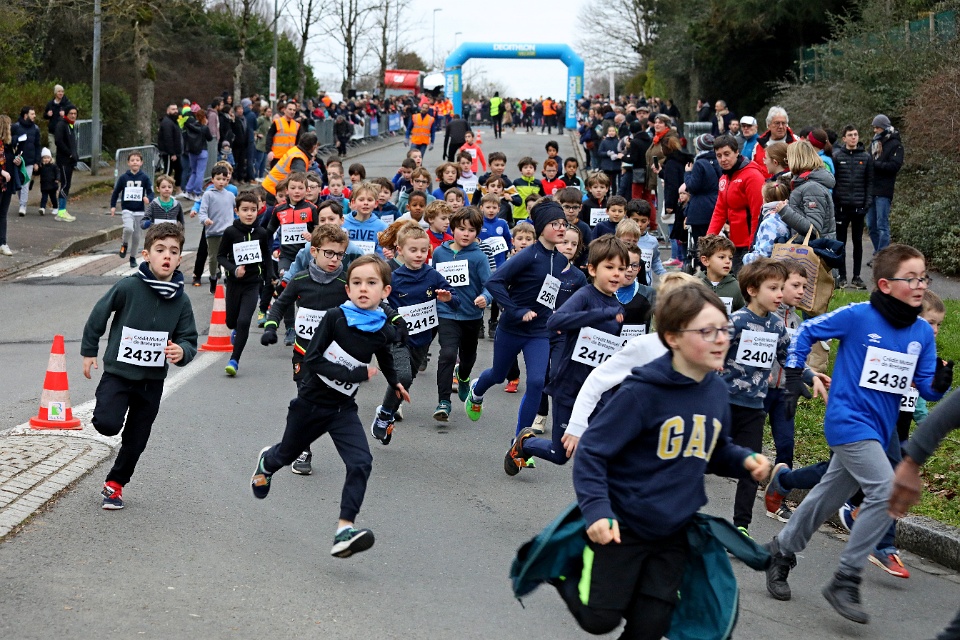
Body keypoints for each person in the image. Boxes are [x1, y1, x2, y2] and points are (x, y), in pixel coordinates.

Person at [560, 284, 770, 639]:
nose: (721, 339)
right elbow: (593, 451)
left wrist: (744, 460)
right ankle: (564, 565)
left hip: (674, 529)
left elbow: (713, 450)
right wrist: (596, 511)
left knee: (652, 625)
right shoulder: (641, 393)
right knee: (599, 619)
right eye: (707, 331)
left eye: (724, 329)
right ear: (673, 338)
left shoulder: (716, 392)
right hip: (623, 525)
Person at [763, 244, 951, 624]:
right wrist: (795, 374)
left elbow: (926, 389)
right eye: (911, 278)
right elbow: (807, 331)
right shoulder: (858, 315)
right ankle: (845, 578)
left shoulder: (921, 332)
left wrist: (940, 383)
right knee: (885, 489)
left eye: (924, 278)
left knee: (827, 495)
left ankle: (781, 550)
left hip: (881, 430)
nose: (920, 285)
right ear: (885, 285)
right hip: (847, 421)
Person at [250, 255, 410, 559]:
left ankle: (344, 530)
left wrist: (395, 383)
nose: (363, 288)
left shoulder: (382, 328)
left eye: (371, 283)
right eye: (356, 283)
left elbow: (384, 354)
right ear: (347, 290)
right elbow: (313, 360)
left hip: (342, 409)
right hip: (310, 404)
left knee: (361, 463)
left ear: (385, 291)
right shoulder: (335, 318)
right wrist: (356, 374)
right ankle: (267, 463)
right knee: (286, 454)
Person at [81, 222, 198, 510]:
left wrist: (181, 351)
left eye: (173, 251)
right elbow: (100, 313)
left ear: (179, 259)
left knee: (137, 439)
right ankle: (108, 415)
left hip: (151, 381)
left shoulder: (181, 300)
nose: (167, 255)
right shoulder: (129, 286)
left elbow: (189, 339)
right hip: (119, 374)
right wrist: (89, 350)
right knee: (107, 424)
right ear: (146, 255)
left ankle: (115, 484)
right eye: (160, 250)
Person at [509, 235, 627, 472]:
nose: (616, 274)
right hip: (570, 385)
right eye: (610, 267)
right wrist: (597, 315)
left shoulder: (618, 306)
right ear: (592, 269)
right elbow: (555, 321)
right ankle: (524, 443)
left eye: (621, 269)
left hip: (599, 388)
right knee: (560, 454)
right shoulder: (585, 296)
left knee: (608, 444)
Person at [463, 202, 568, 442]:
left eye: (564, 224)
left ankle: (520, 442)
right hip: (512, 328)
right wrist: (516, 310)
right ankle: (477, 391)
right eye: (555, 224)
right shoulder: (527, 255)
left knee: (537, 382)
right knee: (498, 375)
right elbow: (494, 282)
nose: (562, 228)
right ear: (541, 227)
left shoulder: (561, 260)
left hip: (539, 332)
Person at [720, 259, 791, 537]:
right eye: (773, 288)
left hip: (753, 408)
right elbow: (714, 348)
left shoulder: (777, 326)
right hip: (723, 404)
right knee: (699, 458)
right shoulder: (736, 321)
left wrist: (809, 376)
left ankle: (741, 526)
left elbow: (788, 357)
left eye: (781, 288)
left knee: (752, 467)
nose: (780, 294)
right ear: (751, 290)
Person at [432, 207, 492, 421]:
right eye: (461, 229)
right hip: (446, 312)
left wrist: (485, 297)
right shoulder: (439, 253)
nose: (466, 234)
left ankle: (464, 376)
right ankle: (444, 402)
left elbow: (490, 285)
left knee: (467, 357)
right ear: (452, 229)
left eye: (471, 230)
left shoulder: (479, 257)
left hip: (471, 315)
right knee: (447, 354)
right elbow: (433, 280)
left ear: (477, 233)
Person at [217, 192, 272, 376]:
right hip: (234, 283)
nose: (249, 214)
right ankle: (236, 330)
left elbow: (266, 256)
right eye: (245, 210)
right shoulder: (230, 232)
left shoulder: (261, 233)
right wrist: (233, 269)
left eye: (253, 210)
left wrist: (270, 276)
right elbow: (220, 256)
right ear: (237, 211)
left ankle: (234, 360)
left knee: (244, 321)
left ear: (259, 210)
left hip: (253, 283)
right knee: (231, 321)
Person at [706, 134, 765, 273]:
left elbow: (758, 213)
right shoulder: (724, 177)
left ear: (737, 152)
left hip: (750, 244)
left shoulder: (752, 176)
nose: (723, 159)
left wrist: (753, 246)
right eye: (719, 156)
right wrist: (708, 240)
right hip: (734, 243)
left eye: (727, 154)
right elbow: (720, 210)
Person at [832, 125, 873, 289]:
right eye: (850, 135)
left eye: (855, 134)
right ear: (844, 138)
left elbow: (870, 183)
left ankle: (856, 276)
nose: (853, 137)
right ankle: (842, 277)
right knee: (840, 243)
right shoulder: (837, 157)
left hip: (859, 208)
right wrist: (835, 204)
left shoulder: (866, 157)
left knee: (858, 242)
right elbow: (833, 182)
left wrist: (866, 205)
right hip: (841, 208)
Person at [776, 140, 836, 240]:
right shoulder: (804, 183)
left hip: (814, 248)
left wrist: (785, 211)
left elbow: (814, 229)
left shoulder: (812, 188)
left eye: (788, 159)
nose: (788, 164)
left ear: (796, 159)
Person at [866, 114, 903, 257]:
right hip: (871, 189)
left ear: (884, 128)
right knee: (871, 225)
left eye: (877, 128)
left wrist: (875, 164)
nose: (875, 130)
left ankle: (883, 256)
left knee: (882, 225)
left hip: (884, 190)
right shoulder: (874, 143)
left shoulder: (896, 145)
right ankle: (878, 252)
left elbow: (894, 166)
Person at [110, 151, 155, 268]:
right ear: (128, 163)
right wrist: (113, 206)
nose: (135, 162)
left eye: (137, 160)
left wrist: (148, 199)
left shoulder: (144, 177)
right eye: (132, 160)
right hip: (127, 209)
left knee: (136, 237)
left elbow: (151, 192)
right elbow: (116, 192)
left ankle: (133, 257)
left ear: (141, 163)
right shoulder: (123, 178)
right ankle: (124, 243)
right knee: (129, 228)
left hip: (139, 210)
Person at [197, 164, 237, 293]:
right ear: (212, 179)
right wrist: (205, 220)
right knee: (214, 258)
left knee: (230, 256)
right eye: (218, 179)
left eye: (224, 179)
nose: (221, 182)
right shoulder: (208, 195)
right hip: (213, 232)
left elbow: (237, 210)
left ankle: (229, 277)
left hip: (228, 233)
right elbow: (202, 212)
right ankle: (213, 277)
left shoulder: (230, 195)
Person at [684, 133, 722, 253]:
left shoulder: (699, 163)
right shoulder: (718, 161)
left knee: (701, 247)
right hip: (716, 205)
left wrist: (688, 173)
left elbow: (692, 187)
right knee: (714, 244)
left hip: (700, 209)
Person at [743, 181, 791, 265]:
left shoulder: (770, 222)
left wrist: (746, 258)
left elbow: (764, 255)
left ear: (765, 199)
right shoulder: (788, 216)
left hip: (771, 269)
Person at [697, 234, 745, 314]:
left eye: (730, 258)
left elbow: (744, 315)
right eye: (722, 257)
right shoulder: (694, 284)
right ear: (705, 260)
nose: (728, 261)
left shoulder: (736, 287)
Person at [752, 106, 798, 179]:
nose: (781, 126)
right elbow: (754, 169)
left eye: (783, 123)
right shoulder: (758, 145)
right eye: (777, 123)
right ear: (768, 125)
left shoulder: (796, 143)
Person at [11, 106, 41, 217]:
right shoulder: (16, 127)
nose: (34, 116)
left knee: (25, 183)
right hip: (17, 160)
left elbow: (37, 145)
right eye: (32, 114)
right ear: (25, 115)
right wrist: (16, 140)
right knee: (19, 182)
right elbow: (10, 142)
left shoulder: (36, 129)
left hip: (29, 161)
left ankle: (23, 205)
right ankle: (22, 202)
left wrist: (37, 161)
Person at [54, 105, 80, 222]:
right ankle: (61, 211)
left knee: (67, 184)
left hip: (70, 161)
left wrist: (74, 156)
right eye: (71, 113)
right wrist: (69, 154)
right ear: (66, 114)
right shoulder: (61, 125)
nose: (73, 116)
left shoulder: (71, 125)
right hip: (64, 160)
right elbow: (58, 141)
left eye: (75, 114)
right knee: (64, 185)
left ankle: (62, 210)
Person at [183, 108, 213, 200]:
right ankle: (197, 193)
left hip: (192, 152)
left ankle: (188, 190)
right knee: (200, 172)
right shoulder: (204, 128)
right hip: (202, 151)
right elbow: (210, 138)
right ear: (204, 117)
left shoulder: (191, 126)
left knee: (194, 171)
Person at [0, 115, 18, 256]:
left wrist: (17, 161)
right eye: (9, 126)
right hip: (2, 181)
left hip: (6, 184)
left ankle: (2, 242)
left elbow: (10, 160)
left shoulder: (8, 146)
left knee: (3, 213)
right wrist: (1, 172)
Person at [266, 100, 301, 167]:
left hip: (290, 158)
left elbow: (297, 142)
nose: (292, 112)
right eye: (290, 109)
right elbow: (269, 136)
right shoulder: (277, 122)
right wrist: (269, 151)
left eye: (294, 110)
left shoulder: (297, 125)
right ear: (284, 110)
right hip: (277, 157)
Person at [157, 104, 183, 190]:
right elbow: (168, 138)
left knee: (179, 169)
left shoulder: (174, 121)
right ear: (168, 111)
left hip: (176, 152)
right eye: (173, 109)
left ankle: (177, 188)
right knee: (168, 172)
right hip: (169, 153)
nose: (175, 111)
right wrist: (172, 153)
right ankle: (163, 188)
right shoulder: (167, 122)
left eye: (176, 109)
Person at [43, 85, 73, 152]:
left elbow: (73, 116)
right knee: (53, 151)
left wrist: (65, 115)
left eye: (62, 91)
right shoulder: (50, 103)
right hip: (52, 132)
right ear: (55, 93)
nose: (61, 93)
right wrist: (48, 115)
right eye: (59, 91)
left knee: (62, 152)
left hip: (63, 133)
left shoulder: (67, 104)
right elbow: (44, 115)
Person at [36, 147, 58, 219]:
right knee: (44, 198)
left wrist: (57, 179)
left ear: (50, 158)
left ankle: (55, 207)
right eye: (44, 158)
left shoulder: (54, 166)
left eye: (48, 158)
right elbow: (37, 173)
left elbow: (57, 173)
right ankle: (42, 208)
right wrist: (36, 169)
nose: (46, 159)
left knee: (53, 198)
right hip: (44, 185)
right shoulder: (41, 167)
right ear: (42, 159)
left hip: (52, 185)